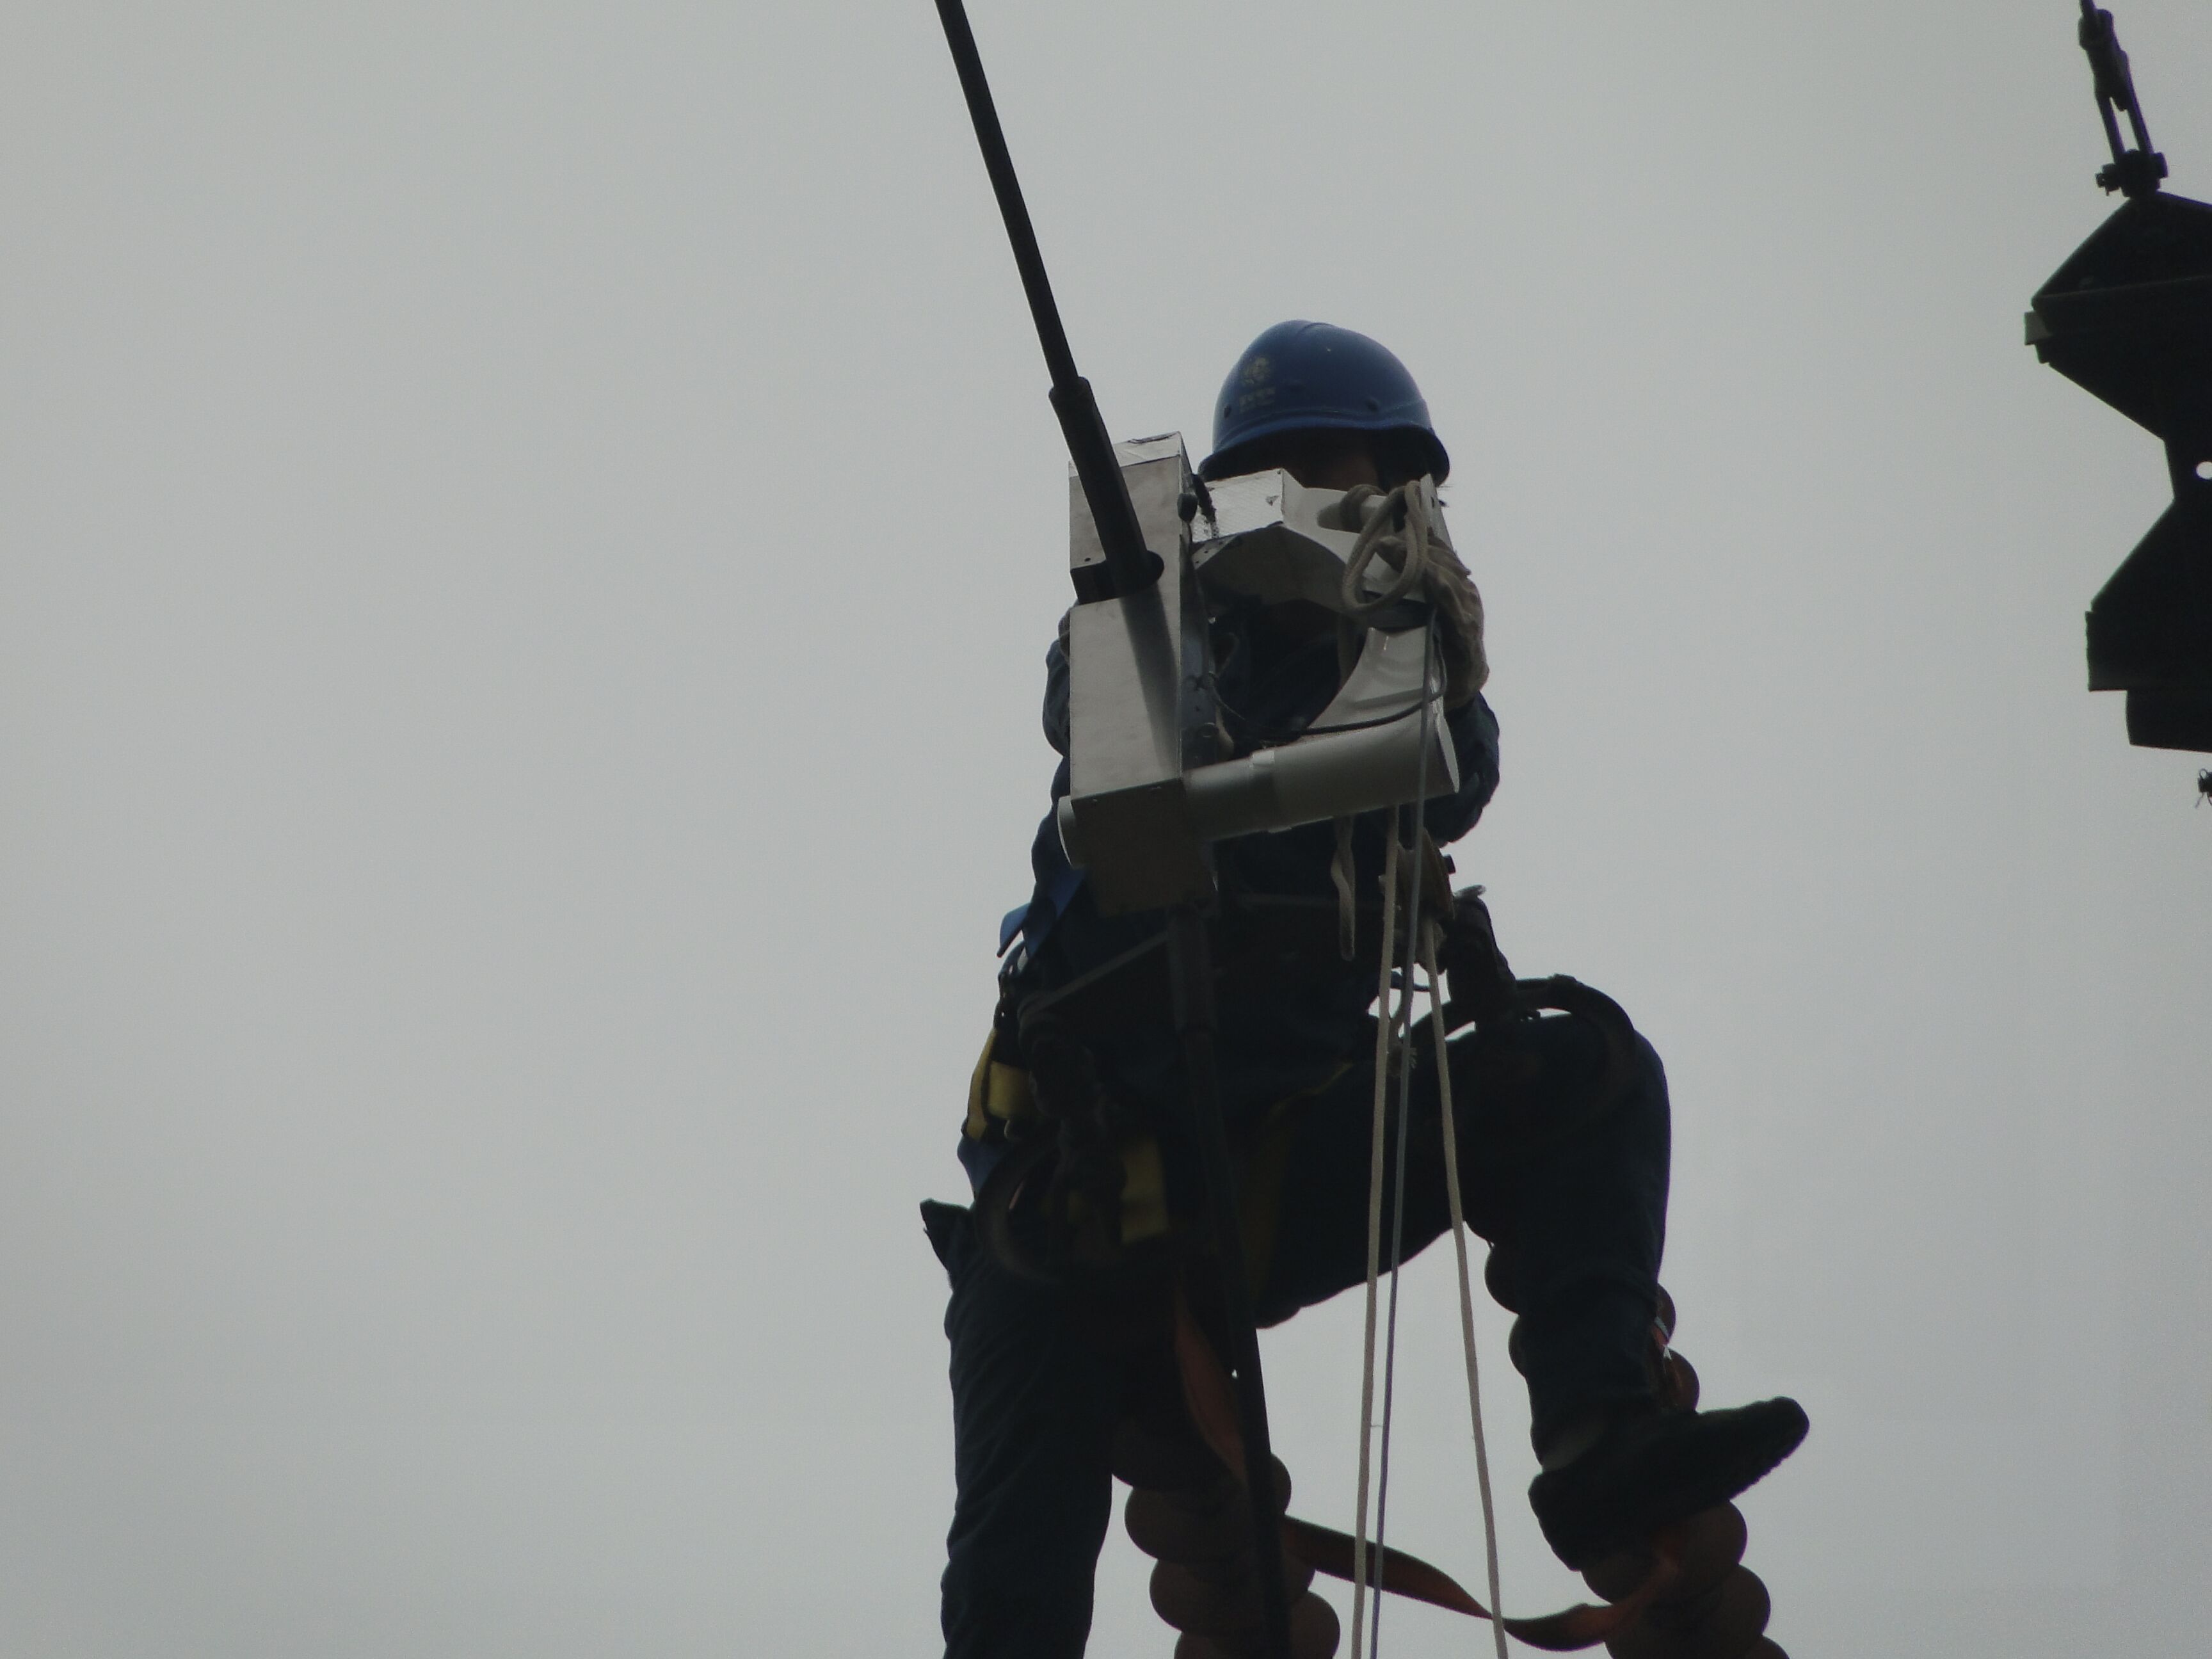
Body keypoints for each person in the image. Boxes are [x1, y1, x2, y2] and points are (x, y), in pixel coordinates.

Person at [922, 321, 1806, 1658]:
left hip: (1269, 1176)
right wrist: (1166, 580)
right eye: (1292, 478)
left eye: (1355, 484)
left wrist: (1398, 618)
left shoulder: (1411, 682)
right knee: (1012, 1593)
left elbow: (1459, 771)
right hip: (1069, 1211)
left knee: (1585, 1071)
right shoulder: (1138, 638)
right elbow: (1089, 711)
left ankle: (1598, 1432)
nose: (1323, 511)